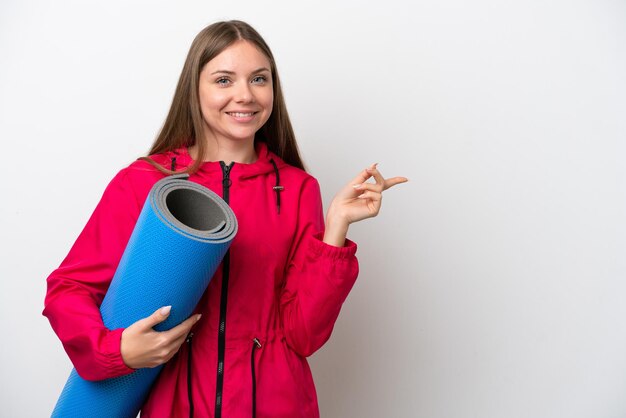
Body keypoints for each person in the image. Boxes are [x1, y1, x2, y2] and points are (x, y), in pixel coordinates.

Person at [43, 20, 407, 418]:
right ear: (194, 89)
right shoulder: (146, 182)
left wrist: (336, 229)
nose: (245, 95)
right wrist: (115, 351)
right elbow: (70, 288)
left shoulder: (298, 188)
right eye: (223, 80)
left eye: (259, 79)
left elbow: (303, 335)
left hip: (277, 406)